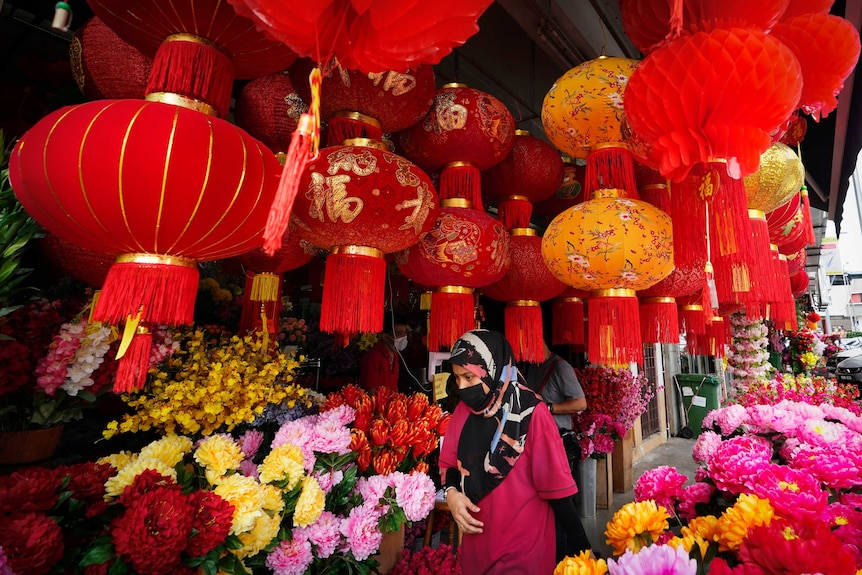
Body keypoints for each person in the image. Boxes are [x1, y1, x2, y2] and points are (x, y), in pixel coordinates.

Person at [439, 329, 591, 574]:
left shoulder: (533, 414)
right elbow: (449, 465)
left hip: (524, 553)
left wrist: (585, 553)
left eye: (469, 377)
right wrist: (453, 495)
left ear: (493, 369)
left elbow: (559, 494)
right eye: (457, 378)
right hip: (477, 552)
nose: (462, 386)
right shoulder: (464, 412)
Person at [519, 342, 588, 559]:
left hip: (558, 443)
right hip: (536, 445)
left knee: (560, 505)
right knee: (544, 506)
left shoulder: (560, 367)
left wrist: (548, 407)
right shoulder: (531, 367)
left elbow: (581, 403)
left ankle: (569, 558)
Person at [359, 314, 408, 393]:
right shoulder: (373, 357)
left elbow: (395, 387)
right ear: (385, 337)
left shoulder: (395, 354)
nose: (404, 337)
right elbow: (371, 391)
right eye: (399, 334)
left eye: (405, 333)